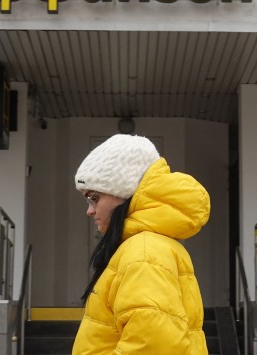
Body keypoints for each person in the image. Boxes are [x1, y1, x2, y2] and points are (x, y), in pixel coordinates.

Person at [72, 134, 210, 354]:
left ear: (122, 192)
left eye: (94, 197)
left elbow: (152, 346)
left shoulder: (144, 252)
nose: (89, 210)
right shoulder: (147, 246)